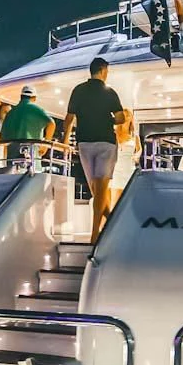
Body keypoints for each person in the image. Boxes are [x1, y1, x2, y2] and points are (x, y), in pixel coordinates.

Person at [62, 57, 130, 238]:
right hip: (105, 142)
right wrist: (109, 119)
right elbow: (121, 117)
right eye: (107, 71)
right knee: (100, 190)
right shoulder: (109, 92)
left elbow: (68, 119)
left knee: (96, 190)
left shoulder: (78, 90)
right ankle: (96, 234)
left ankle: (104, 229)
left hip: (84, 142)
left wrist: (65, 142)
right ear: (102, 70)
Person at [0, 84, 55, 166]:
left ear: (21, 96)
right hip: (32, 156)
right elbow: (51, 123)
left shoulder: (10, 113)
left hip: (12, 159)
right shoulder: (36, 109)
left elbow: (2, 137)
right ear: (34, 98)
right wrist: (45, 145)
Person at [109, 118, 139, 206]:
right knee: (115, 199)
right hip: (117, 168)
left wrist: (136, 155)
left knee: (131, 198)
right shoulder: (115, 134)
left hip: (129, 167)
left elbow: (139, 149)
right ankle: (113, 218)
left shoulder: (134, 136)